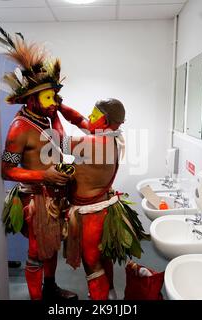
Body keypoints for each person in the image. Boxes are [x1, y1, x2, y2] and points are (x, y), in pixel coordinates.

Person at [1, 39, 85, 300]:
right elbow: (6, 170)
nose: (54, 102)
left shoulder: (49, 116)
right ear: (31, 98)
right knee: (37, 252)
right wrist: (43, 175)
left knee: (51, 248)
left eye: (55, 97)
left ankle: (50, 288)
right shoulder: (19, 128)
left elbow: (77, 119)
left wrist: (57, 106)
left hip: (56, 195)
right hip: (36, 197)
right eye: (48, 97)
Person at [59, 99, 150, 300]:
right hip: (104, 208)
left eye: (94, 114)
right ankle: (110, 295)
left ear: (106, 120)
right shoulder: (112, 137)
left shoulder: (92, 143)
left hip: (91, 215)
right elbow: (80, 120)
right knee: (102, 256)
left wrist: (48, 112)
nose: (89, 117)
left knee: (92, 265)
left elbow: (56, 141)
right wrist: (59, 105)